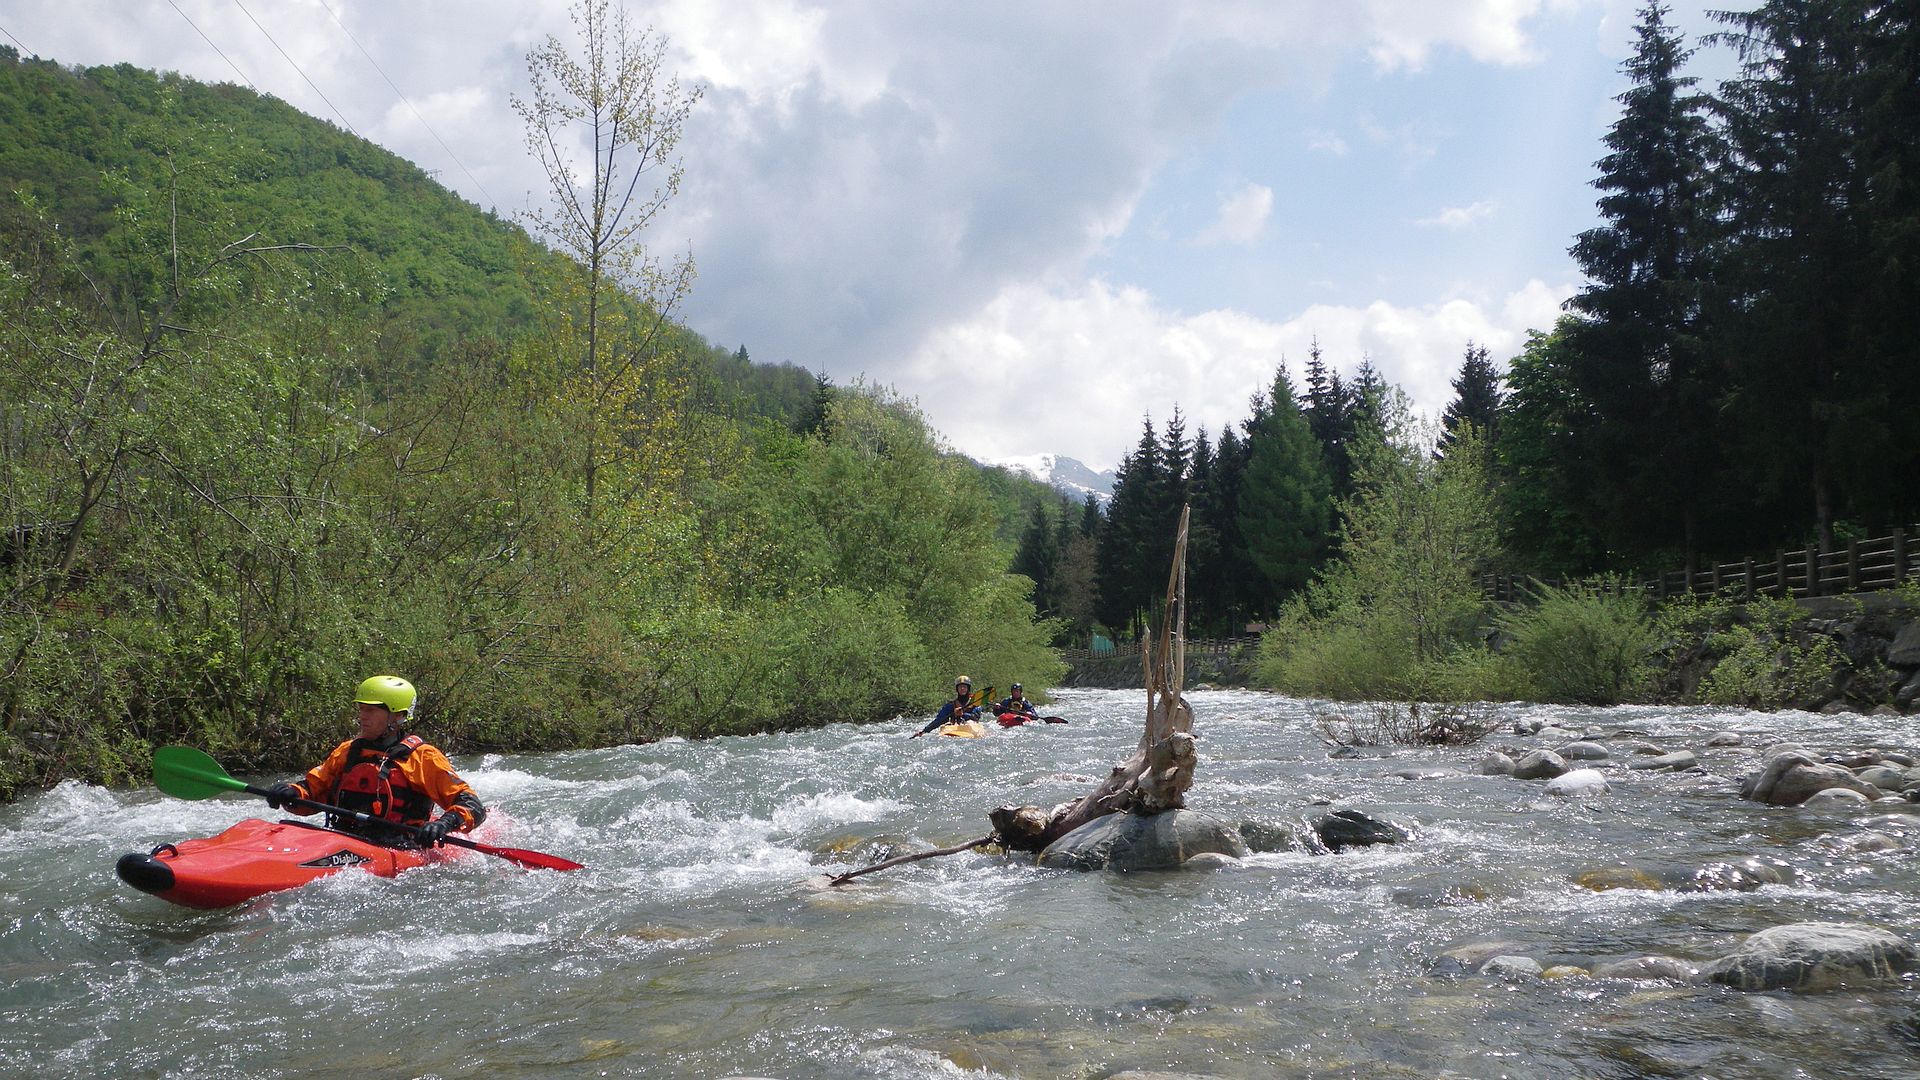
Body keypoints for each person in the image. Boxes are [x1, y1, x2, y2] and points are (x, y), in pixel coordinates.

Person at [265, 675, 486, 848]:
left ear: (396, 716)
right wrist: (291, 793)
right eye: (361, 709)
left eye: (370, 710)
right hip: (342, 839)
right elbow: (315, 790)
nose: (362, 716)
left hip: (400, 845)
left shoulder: (423, 758)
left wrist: (443, 824)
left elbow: (472, 806)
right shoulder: (348, 751)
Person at [911, 675, 982, 738]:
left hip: (971, 727)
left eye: (964, 687)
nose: (962, 689)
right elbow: (939, 720)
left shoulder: (975, 704)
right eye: (960, 687)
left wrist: (963, 714)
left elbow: (976, 717)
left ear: (968, 689)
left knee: (970, 723)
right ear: (957, 689)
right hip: (955, 728)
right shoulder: (950, 705)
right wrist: (923, 731)